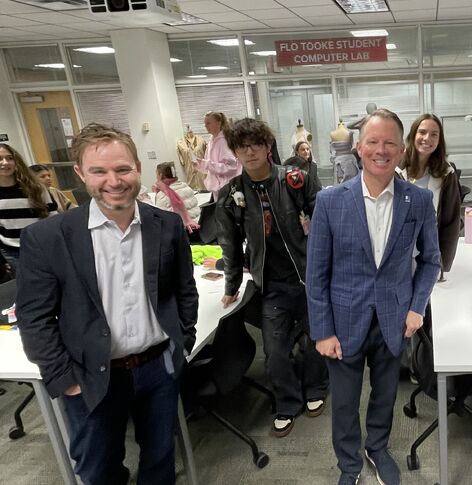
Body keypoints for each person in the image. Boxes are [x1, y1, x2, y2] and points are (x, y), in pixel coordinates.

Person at [15, 123, 198, 485]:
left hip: (157, 368)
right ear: (81, 173)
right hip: (88, 376)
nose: (113, 181)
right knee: (99, 470)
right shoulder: (48, 237)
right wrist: (63, 378)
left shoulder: (166, 225)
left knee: (160, 460)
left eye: (122, 169)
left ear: (138, 169)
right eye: (99, 171)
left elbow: (184, 289)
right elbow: (35, 317)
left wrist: (183, 341)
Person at [306, 109, 440, 485]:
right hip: (343, 320)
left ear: (402, 149)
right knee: (345, 402)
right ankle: (349, 464)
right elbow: (316, 273)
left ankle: (377, 448)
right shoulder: (330, 201)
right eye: (373, 142)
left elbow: (431, 260)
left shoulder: (418, 200)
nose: (381, 150)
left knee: (385, 396)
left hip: (394, 318)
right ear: (359, 148)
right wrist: (322, 331)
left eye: (390, 143)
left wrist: (417, 307)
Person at [216, 118, 328, 438]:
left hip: (307, 278)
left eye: (256, 144)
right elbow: (229, 245)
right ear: (235, 152)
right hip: (271, 285)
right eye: (242, 147)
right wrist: (231, 286)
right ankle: (287, 401)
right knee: (275, 350)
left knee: (317, 339)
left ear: (267, 146)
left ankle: (316, 388)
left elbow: (325, 224)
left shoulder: (296, 180)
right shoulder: (232, 194)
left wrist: (327, 270)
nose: (250, 152)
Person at [398, 113, 461, 276]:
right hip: (398, 256)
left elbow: (451, 222)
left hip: (428, 255)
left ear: (439, 140)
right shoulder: (396, 168)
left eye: (434, 134)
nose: (427, 138)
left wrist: (442, 263)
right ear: (413, 135)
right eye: (422, 132)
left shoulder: (446, 173)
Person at [0, 144, 58, 273]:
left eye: (9, 158)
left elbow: (53, 218)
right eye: (0, 159)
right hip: (13, 253)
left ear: (16, 161)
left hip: (43, 248)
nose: (5, 163)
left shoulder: (36, 188)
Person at [193, 111, 241, 200]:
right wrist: (200, 165)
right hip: (217, 189)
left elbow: (232, 167)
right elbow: (210, 168)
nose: (205, 126)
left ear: (218, 123)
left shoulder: (224, 141)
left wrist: (206, 164)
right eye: (205, 123)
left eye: (208, 123)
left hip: (227, 189)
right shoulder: (211, 141)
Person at [152, 161, 201, 230]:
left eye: (156, 174)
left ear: (160, 175)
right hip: (197, 224)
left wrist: (158, 194)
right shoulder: (186, 186)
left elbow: (161, 217)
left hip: (184, 230)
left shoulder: (163, 195)